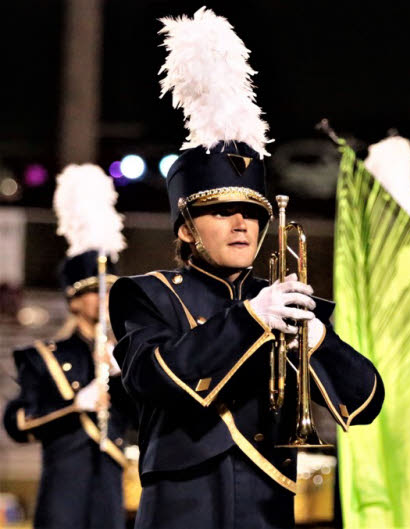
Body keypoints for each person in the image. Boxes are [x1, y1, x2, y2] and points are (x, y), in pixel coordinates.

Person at [108, 8, 383, 528]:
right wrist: (248, 320)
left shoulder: (289, 297)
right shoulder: (147, 294)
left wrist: (321, 341)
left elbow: (367, 400)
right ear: (186, 228)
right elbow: (150, 377)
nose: (242, 223)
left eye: (253, 213)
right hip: (181, 507)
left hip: (269, 507)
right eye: (220, 211)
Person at [2, 164, 132, 529]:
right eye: (95, 291)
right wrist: (75, 405)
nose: (105, 298)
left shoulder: (125, 353)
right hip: (64, 488)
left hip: (110, 487)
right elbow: (16, 421)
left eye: (110, 291)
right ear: (75, 300)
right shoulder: (45, 357)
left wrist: (127, 380)